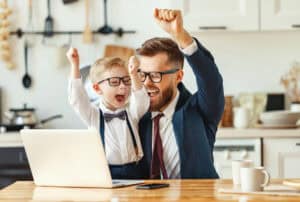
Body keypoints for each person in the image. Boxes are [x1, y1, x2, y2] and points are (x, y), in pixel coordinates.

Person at [137, 9, 225, 179]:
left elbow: (210, 80)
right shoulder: (136, 113)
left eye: (156, 75)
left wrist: (181, 36)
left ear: (178, 76)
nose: (146, 83)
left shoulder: (200, 110)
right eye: (142, 74)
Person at [66, 48, 150, 179]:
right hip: (106, 174)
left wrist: (133, 74)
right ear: (97, 88)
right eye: (115, 82)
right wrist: (75, 64)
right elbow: (77, 99)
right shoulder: (93, 115)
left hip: (136, 171)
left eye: (126, 81)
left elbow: (142, 99)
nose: (123, 86)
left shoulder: (131, 112)